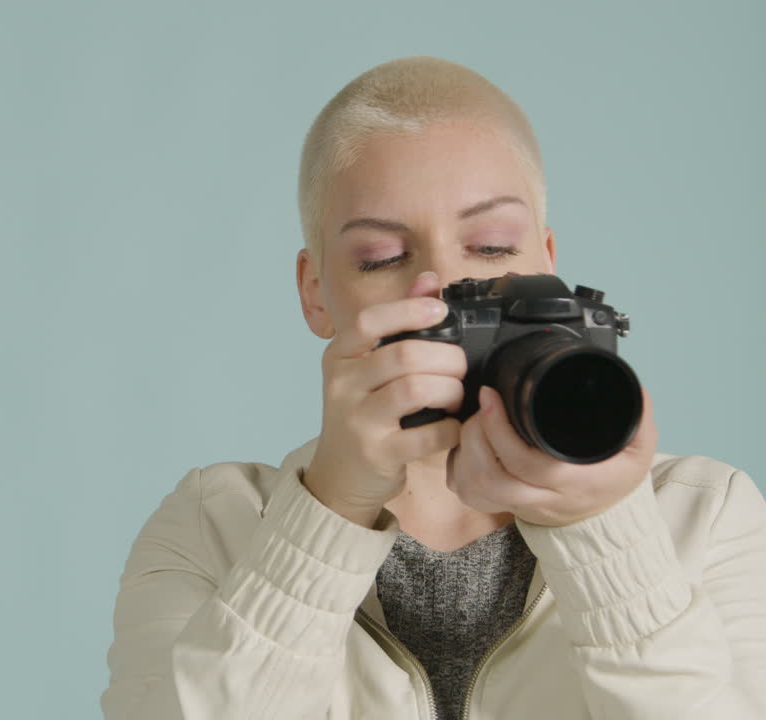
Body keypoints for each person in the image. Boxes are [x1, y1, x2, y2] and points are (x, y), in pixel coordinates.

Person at [99, 56, 766, 720]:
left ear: (548, 262)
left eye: (493, 247)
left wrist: (604, 532)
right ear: (315, 292)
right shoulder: (214, 526)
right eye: (382, 258)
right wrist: (328, 512)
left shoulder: (704, 516)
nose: (442, 288)